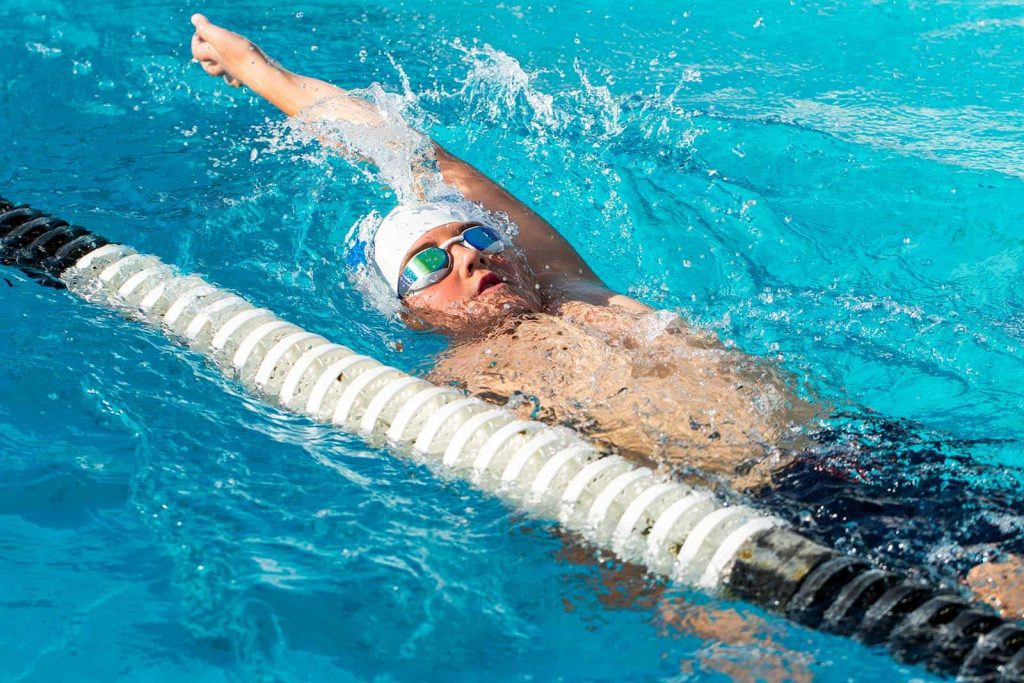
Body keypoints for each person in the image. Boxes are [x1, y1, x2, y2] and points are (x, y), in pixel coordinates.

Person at [188, 14, 1024, 619]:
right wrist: (711, 620)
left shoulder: (571, 290)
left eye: (473, 237)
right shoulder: (461, 394)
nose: (468, 258)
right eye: (430, 263)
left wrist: (263, 73)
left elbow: (414, 156)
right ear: (403, 312)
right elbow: (589, 517)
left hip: (866, 451)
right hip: (775, 518)